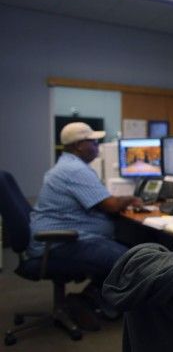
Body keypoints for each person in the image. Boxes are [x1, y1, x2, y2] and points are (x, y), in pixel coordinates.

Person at [28, 122, 143, 324]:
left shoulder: (67, 165)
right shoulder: (74, 170)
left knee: (124, 249)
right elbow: (110, 205)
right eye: (93, 141)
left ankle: (90, 299)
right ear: (80, 145)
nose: (97, 145)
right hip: (59, 242)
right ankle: (90, 300)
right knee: (129, 260)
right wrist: (130, 199)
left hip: (59, 239)